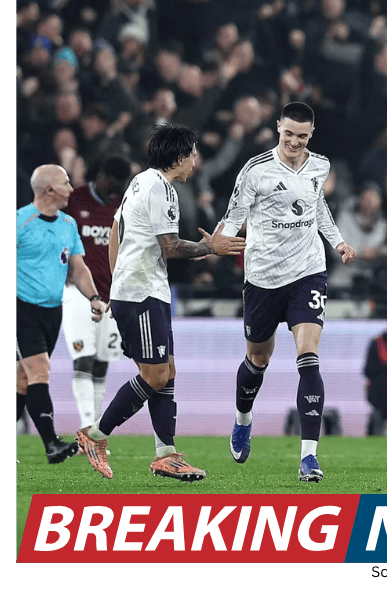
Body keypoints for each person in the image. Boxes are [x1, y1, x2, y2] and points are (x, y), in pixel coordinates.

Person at [74, 124, 246, 481]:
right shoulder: (161, 189)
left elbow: (116, 232)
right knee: (154, 375)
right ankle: (96, 434)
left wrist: (117, 284)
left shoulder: (141, 181)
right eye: (192, 155)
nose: (195, 162)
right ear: (179, 157)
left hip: (141, 289)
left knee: (166, 372)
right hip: (142, 292)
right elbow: (171, 247)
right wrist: (211, 247)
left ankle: (166, 454)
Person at [214, 102, 357, 482]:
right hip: (262, 277)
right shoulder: (256, 169)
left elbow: (318, 207)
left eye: (302, 136)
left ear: (311, 134)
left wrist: (338, 242)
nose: (294, 142)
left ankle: (309, 456)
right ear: (278, 127)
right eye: (288, 133)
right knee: (257, 359)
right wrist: (215, 243)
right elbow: (234, 215)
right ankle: (243, 419)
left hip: (308, 272)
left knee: (308, 357)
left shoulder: (321, 165)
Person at [17, 164, 107, 464]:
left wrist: (94, 297)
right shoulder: (19, 222)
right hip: (21, 308)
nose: (71, 188)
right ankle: (52, 444)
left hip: (53, 310)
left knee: (22, 379)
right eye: (66, 183)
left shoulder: (68, 224)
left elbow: (78, 267)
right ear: (49, 190)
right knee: (39, 370)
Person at [58, 156, 131, 433]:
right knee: (84, 358)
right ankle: (86, 426)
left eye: (118, 190)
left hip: (112, 295)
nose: (114, 194)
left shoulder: (123, 204)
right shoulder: (75, 201)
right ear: (100, 177)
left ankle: (96, 431)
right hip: (78, 292)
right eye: (111, 188)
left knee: (101, 363)